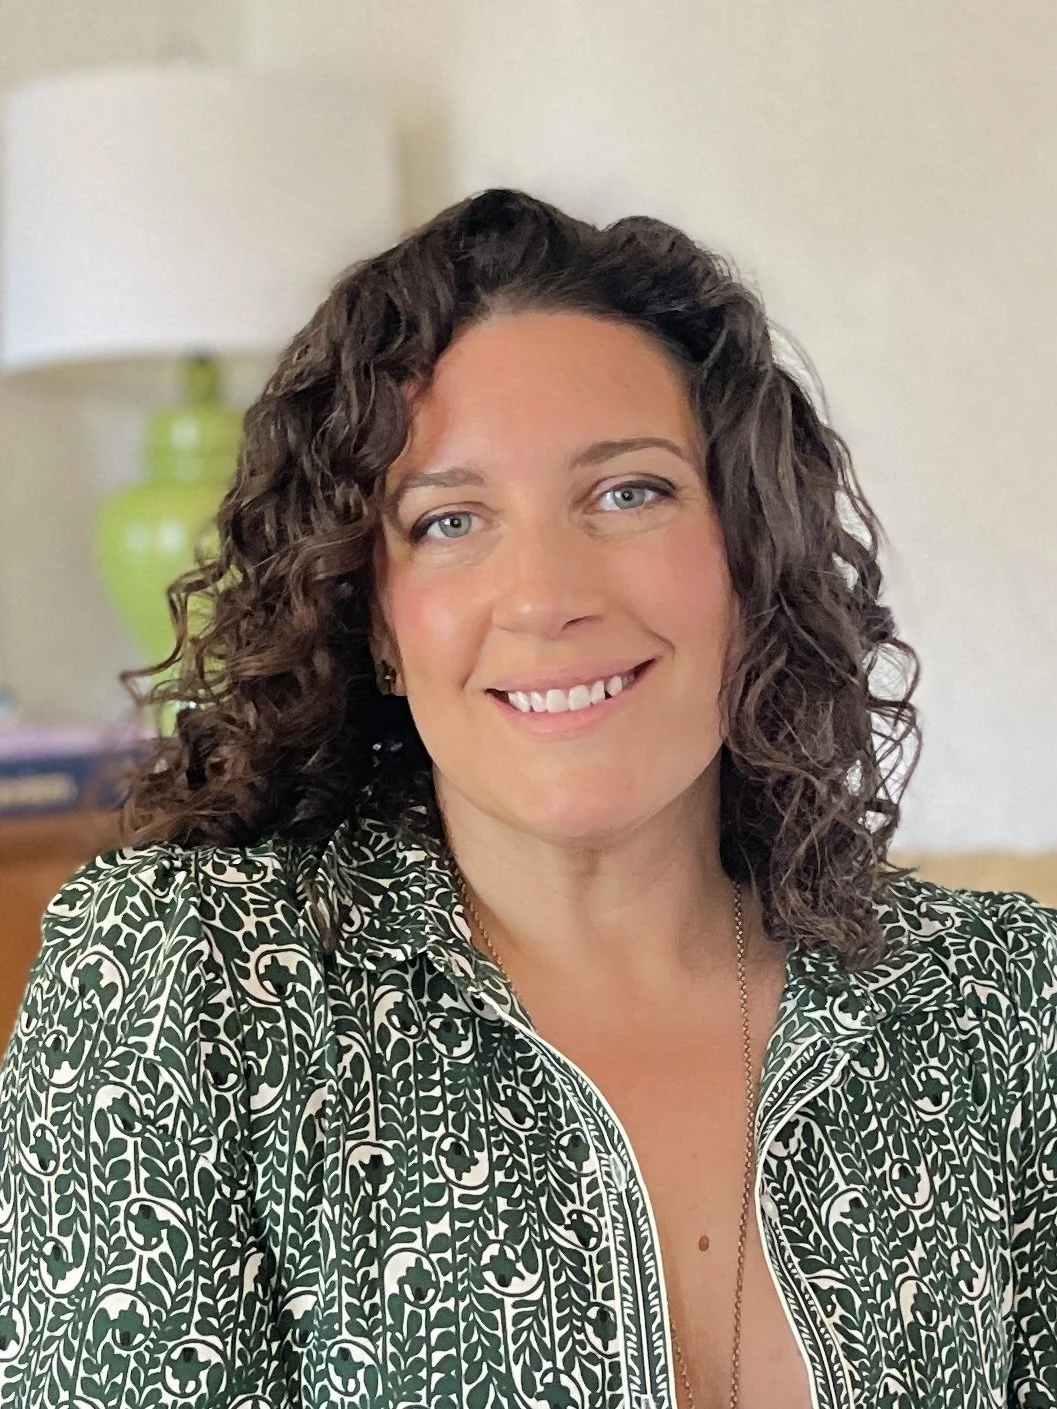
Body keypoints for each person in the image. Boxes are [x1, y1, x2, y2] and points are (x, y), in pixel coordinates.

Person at [0, 187, 1054, 1409]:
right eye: (449, 519)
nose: (546, 594)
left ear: (747, 553)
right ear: (372, 618)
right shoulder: (192, 981)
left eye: (628, 492)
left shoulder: (999, 1003)